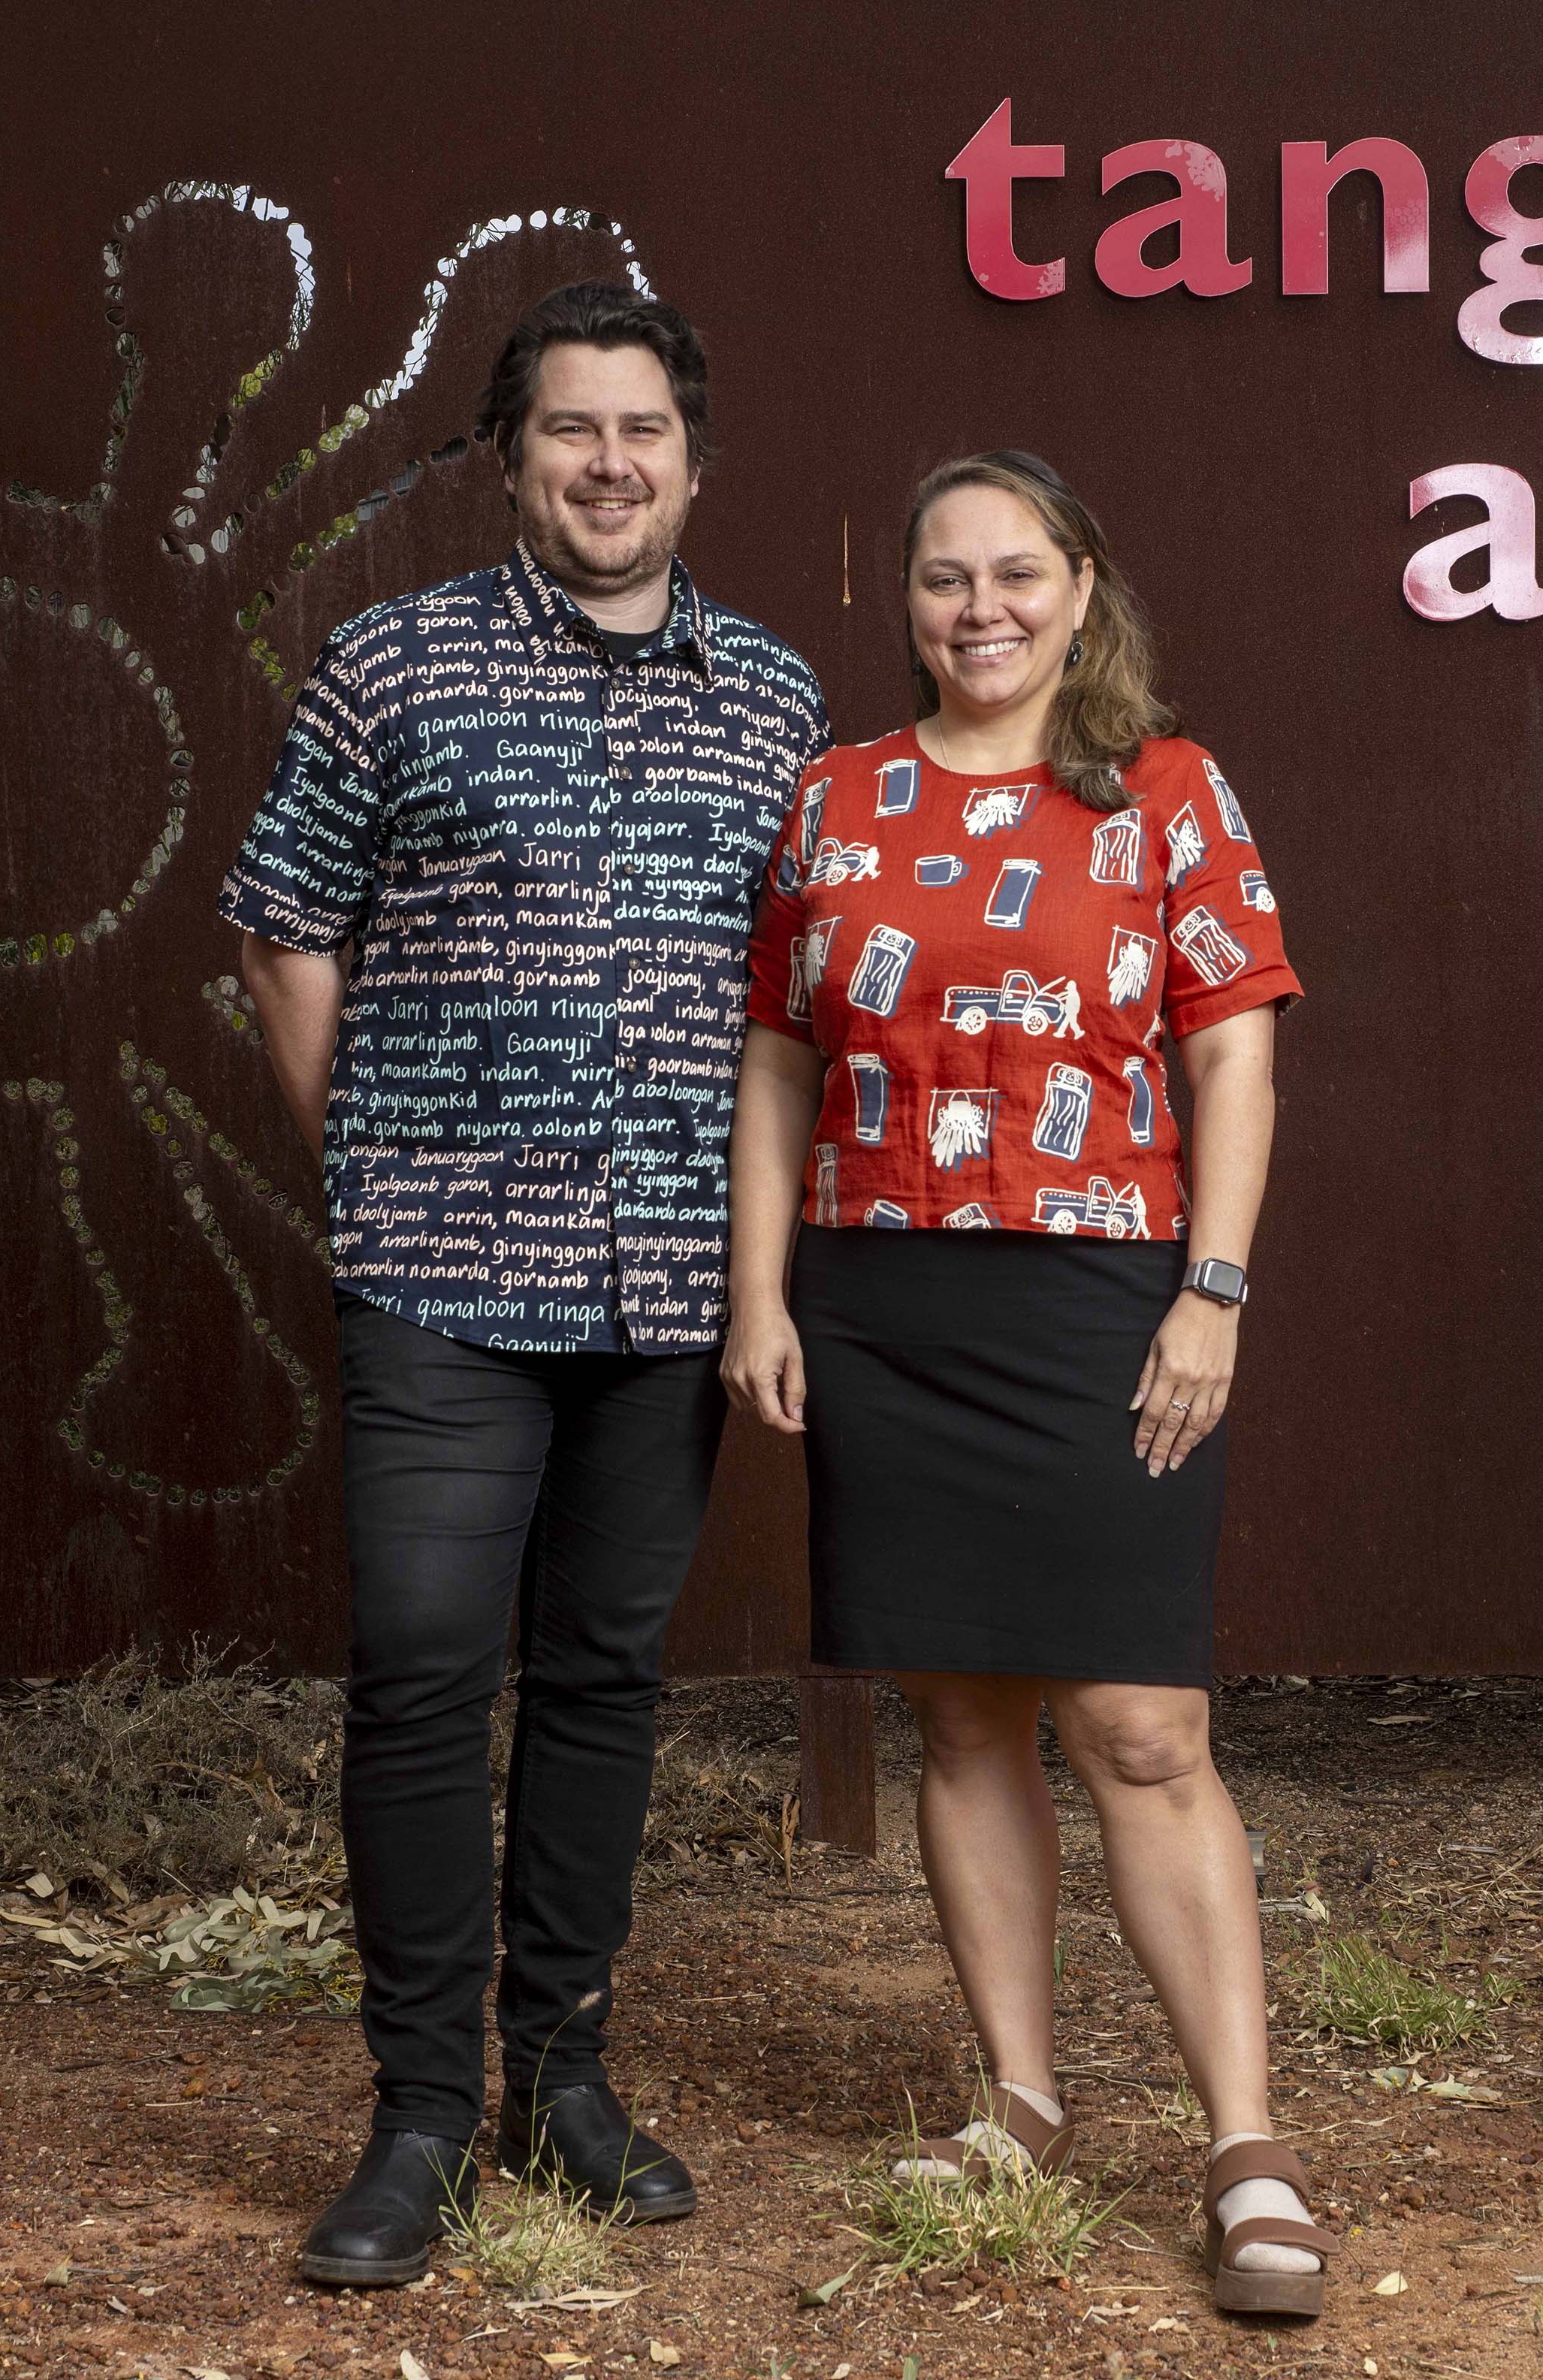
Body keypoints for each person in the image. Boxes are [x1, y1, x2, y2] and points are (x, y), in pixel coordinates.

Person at [222, 282, 826, 2288]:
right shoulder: (393, 664)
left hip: (663, 1288)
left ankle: (557, 2079)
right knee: (416, 1668)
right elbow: (283, 921)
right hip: (437, 1278)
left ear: (692, 463)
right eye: (570, 431)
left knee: (598, 1682)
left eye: (641, 432)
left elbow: (785, 1013)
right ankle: (413, 2115)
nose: (607, 466)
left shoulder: (772, 699)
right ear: (509, 460)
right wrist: (370, 1152)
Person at [721, 451, 1336, 2318]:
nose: (976, 611)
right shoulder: (833, 797)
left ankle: (1242, 2147)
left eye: (1013, 575)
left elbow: (1235, 1057)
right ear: (901, 600)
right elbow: (776, 1061)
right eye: (939, 581)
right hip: (883, 1295)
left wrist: (1210, 1293)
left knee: (1139, 1725)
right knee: (964, 1716)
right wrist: (762, 1296)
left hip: (1095, 1294)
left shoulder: (1164, 790)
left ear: (1080, 585)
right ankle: (1022, 2098)